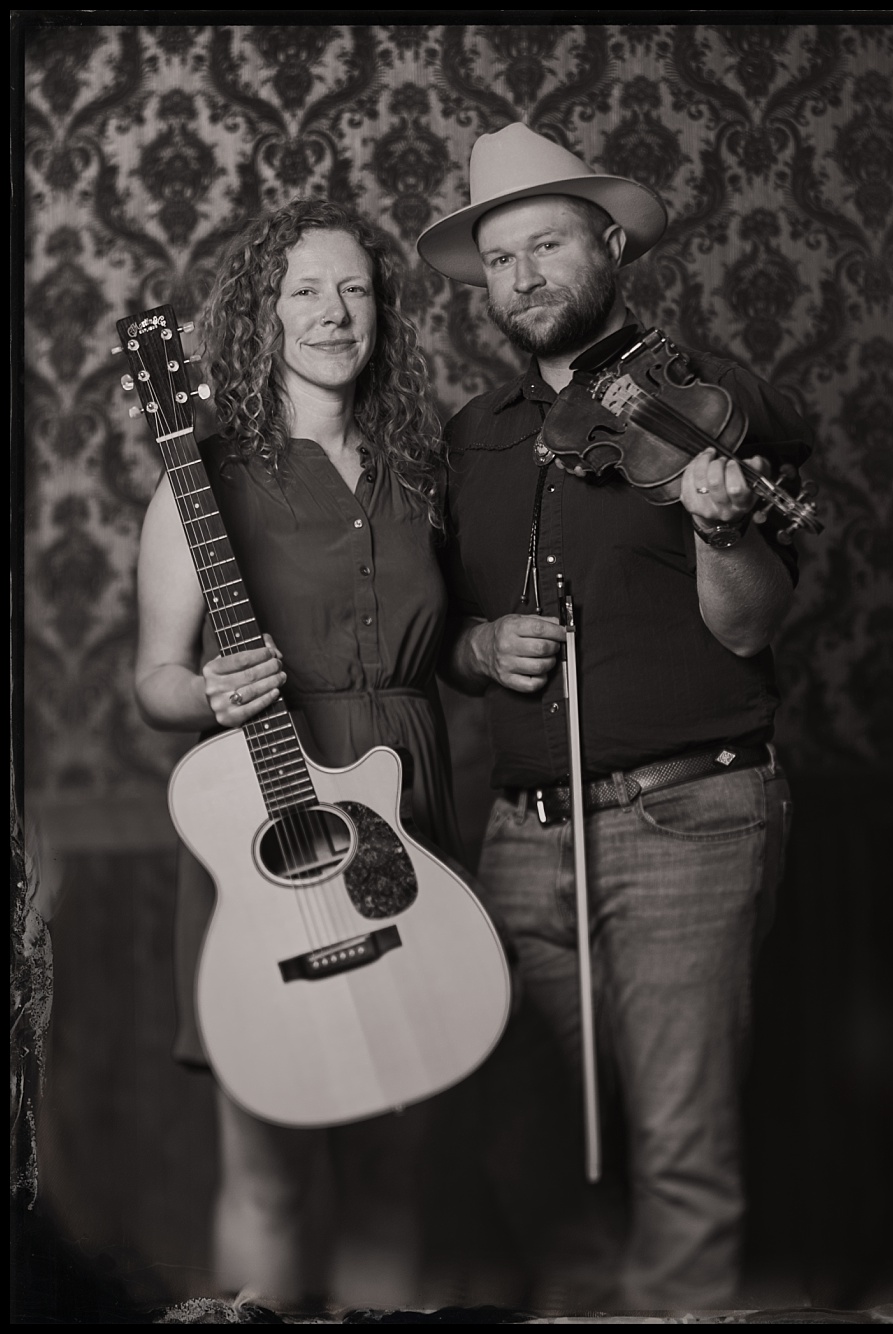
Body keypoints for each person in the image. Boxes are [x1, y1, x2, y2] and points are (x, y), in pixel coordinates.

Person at [416, 122, 815, 1313]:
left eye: (548, 244)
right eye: (501, 259)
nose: (525, 276)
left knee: (679, 1142)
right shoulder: (469, 437)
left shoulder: (701, 409)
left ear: (610, 243)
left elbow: (751, 629)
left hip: (692, 812)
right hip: (524, 834)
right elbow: (435, 634)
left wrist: (721, 526)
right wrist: (483, 647)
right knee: (527, 1131)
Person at [134, 198, 462, 1309]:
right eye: (306, 290)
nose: (335, 311)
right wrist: (210, 690)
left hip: (409, 817)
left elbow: (448, 636)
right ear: (261, 315)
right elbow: (155, 678)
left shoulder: (421, 465)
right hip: (266, 832)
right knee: (270, 1177)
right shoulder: (203, 476)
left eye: (357, 289)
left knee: (394, 1172)